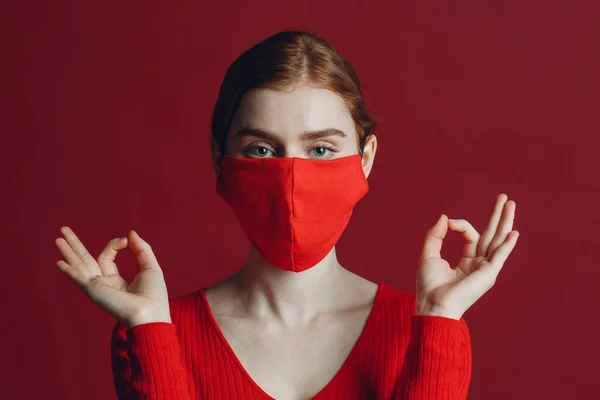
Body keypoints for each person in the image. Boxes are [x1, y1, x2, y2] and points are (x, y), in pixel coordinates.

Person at [54, 30, 519, 400]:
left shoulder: (424, 326)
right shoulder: (154, 328)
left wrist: (440, 314)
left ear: (366, 157)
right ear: (220, 160)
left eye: (320, 148)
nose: (292, 177)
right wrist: (149, 329)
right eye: (261, 149)